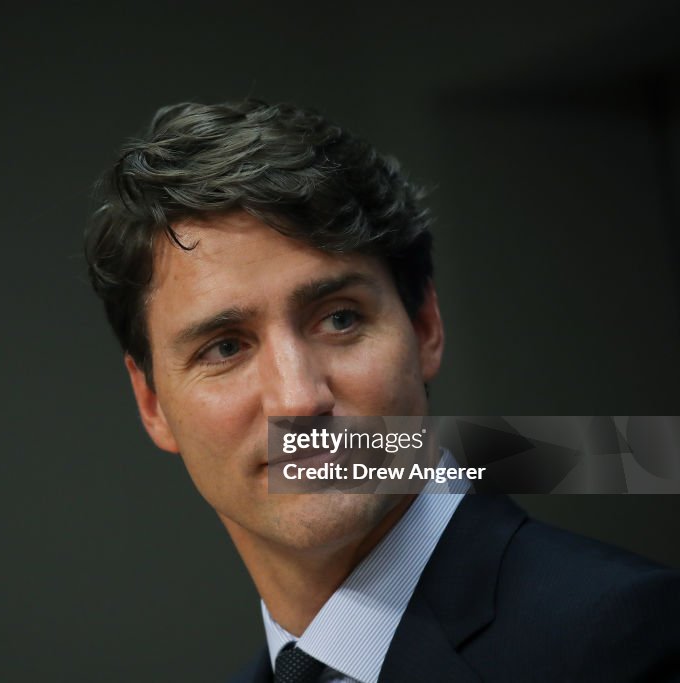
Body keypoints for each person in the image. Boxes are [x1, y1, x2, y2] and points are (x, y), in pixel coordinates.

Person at [83, 99, 680, 682]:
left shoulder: (623, 641)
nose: (297, 400)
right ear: (153, 404)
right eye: (226, 347)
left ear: (425, 329)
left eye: (339, 318)